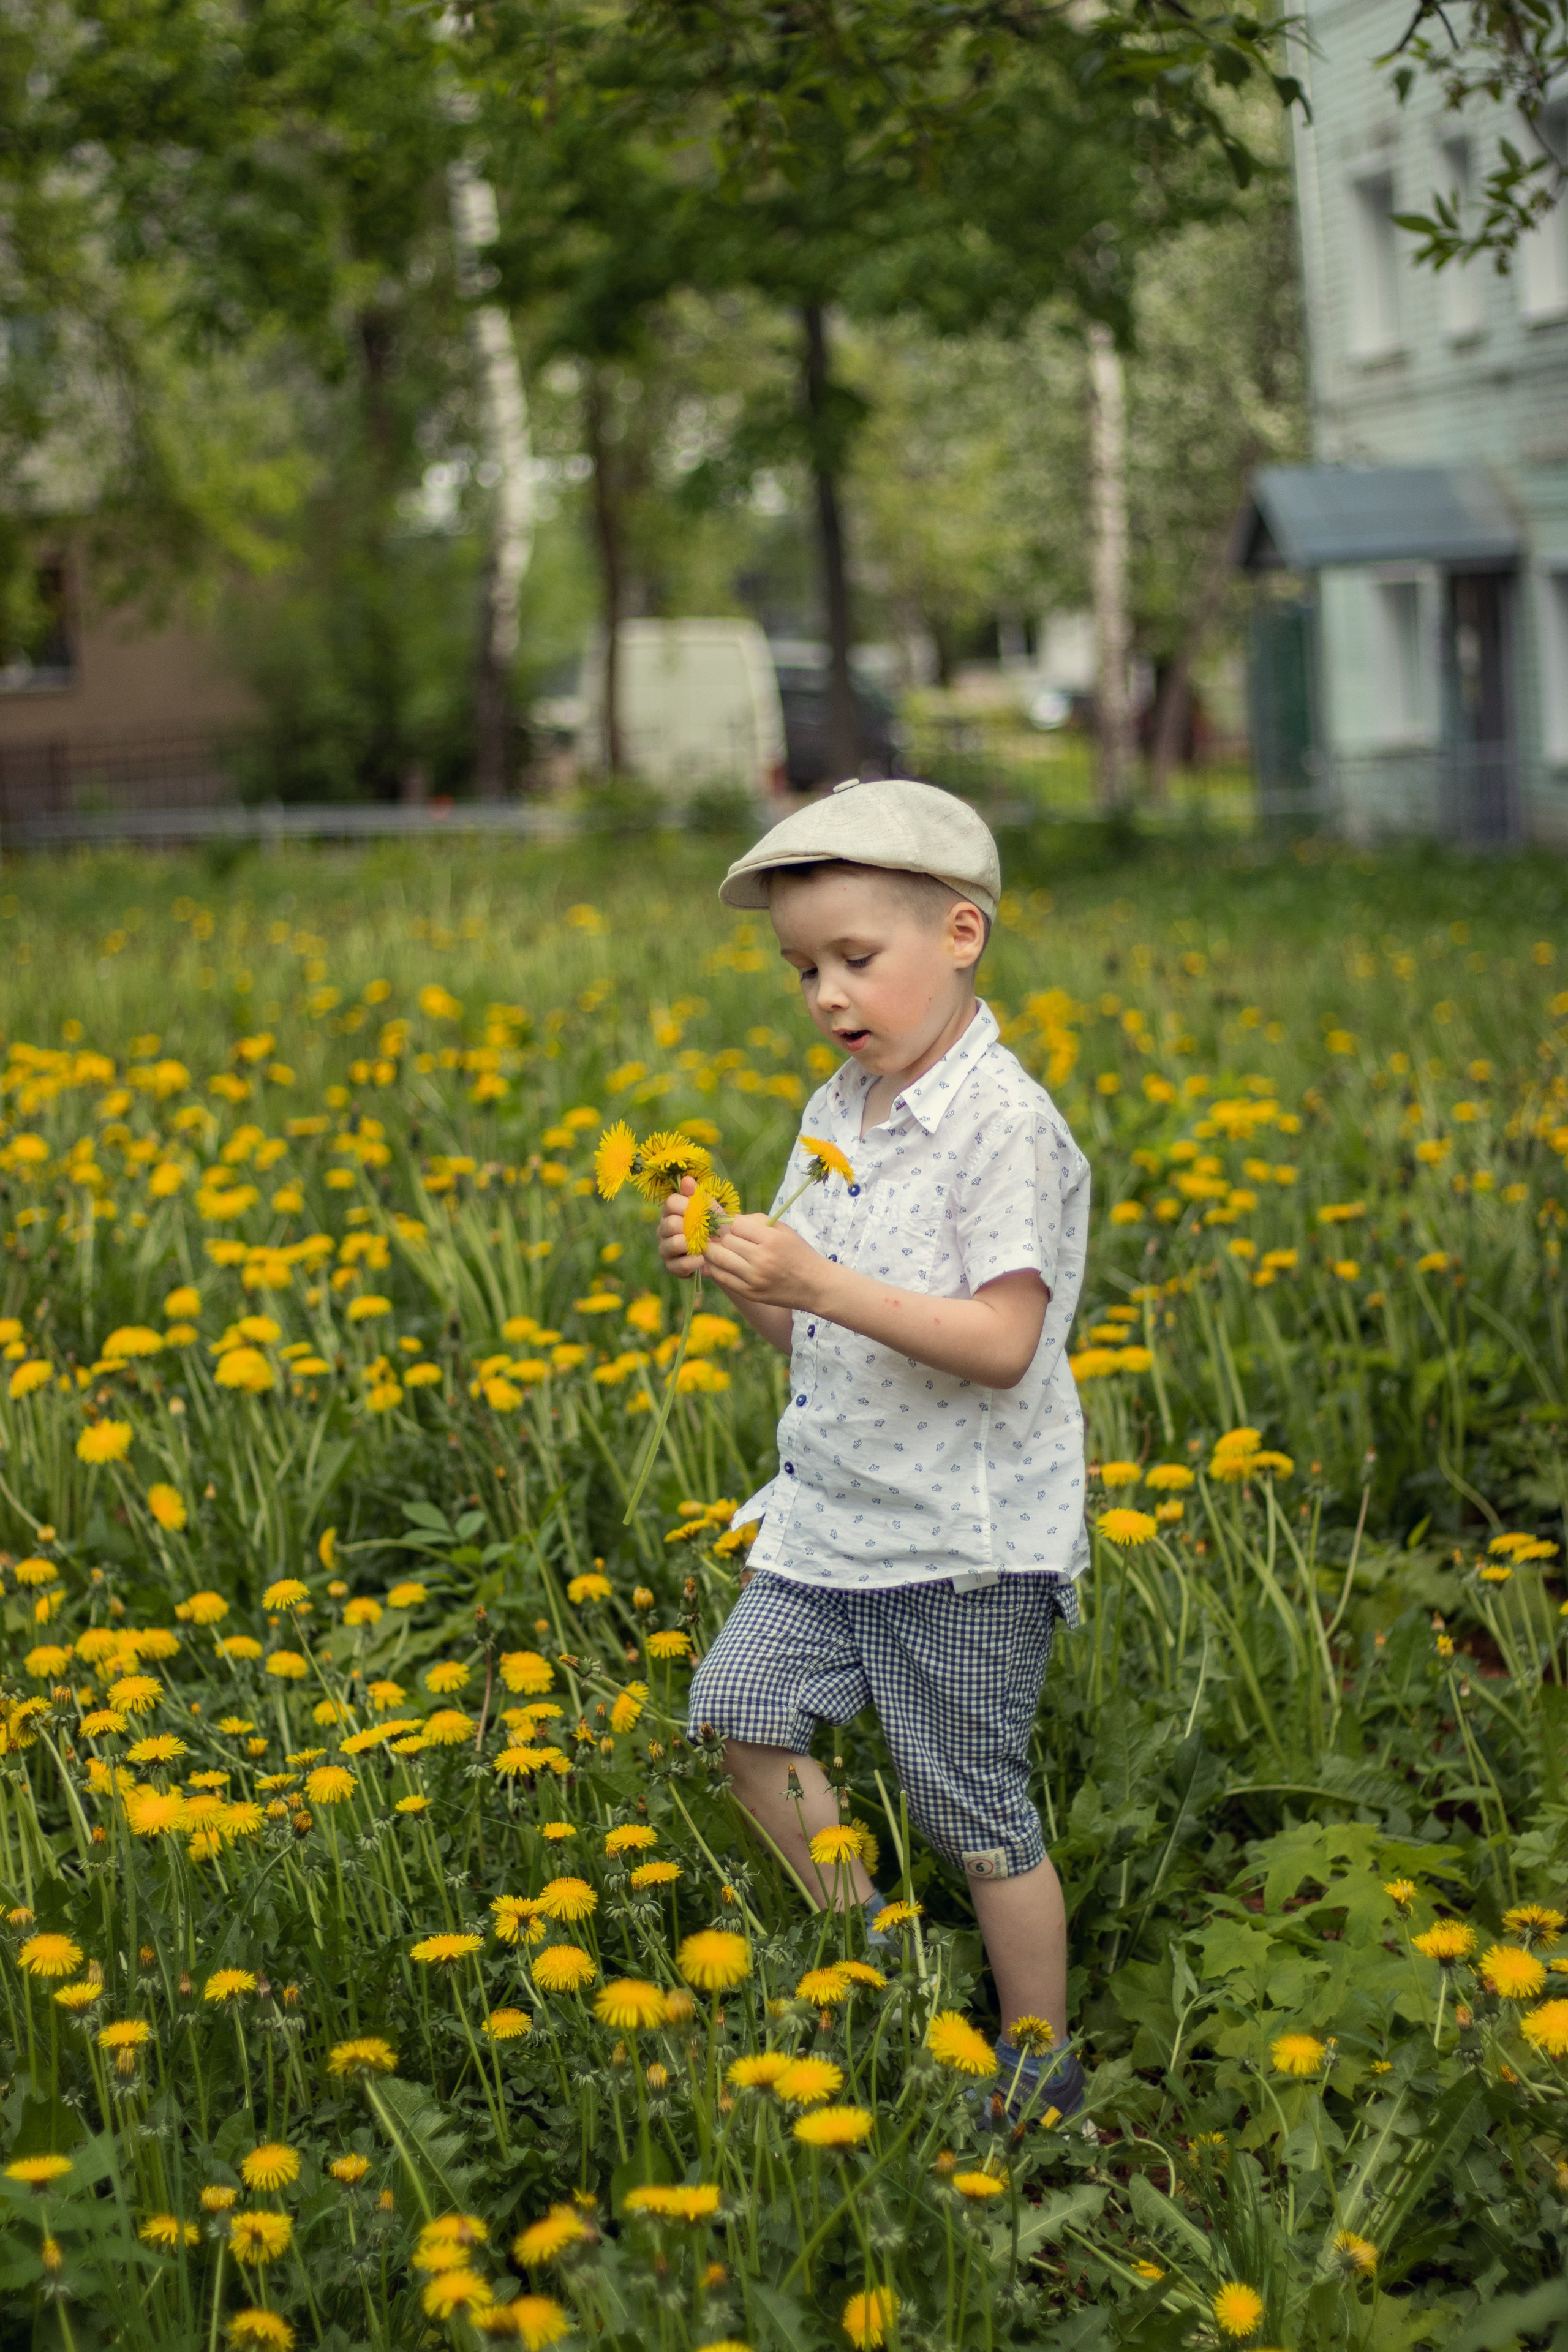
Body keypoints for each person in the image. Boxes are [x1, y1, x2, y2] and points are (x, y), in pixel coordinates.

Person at [658, 776, 1091, 2119]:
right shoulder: (833, 1111)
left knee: (970, 1808)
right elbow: (812, 1345)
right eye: (801, 970)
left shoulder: (1001, 1126)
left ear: (959, 935)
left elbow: (1000, 1342)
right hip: (832, 1517)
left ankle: (1035, 2060)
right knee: (739, 1713)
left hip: (957, 1539)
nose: (828, 995)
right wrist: (743, 1280)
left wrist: (820, 1282)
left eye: (856, 958)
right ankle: (881, 1966)